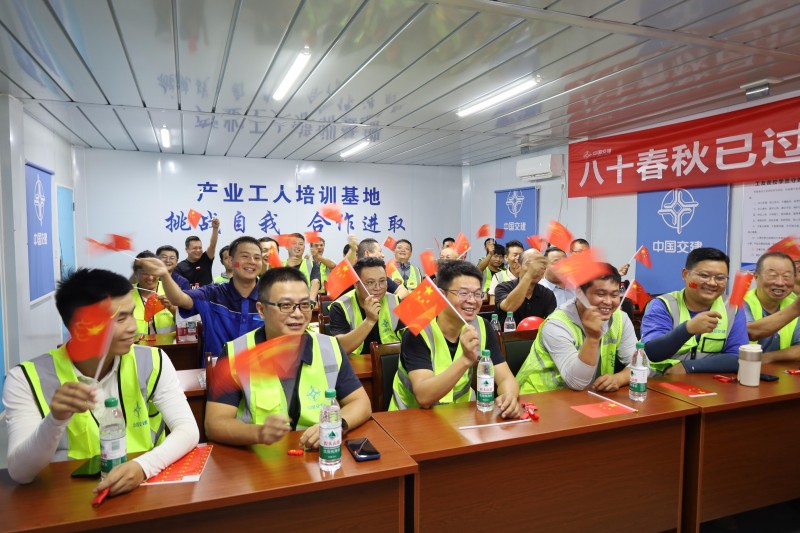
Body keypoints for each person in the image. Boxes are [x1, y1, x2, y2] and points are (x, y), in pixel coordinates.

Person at [2, 269, 199, 494]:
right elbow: (20, 472)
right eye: (120, 319)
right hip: (67, 498)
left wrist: (143, 466)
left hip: (144, 490)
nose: (133, 327)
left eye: (131, 314)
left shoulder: (152, 360)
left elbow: (187, 430)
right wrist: (55, 420)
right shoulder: (25, 379)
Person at [204, 267, 371, 448]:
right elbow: (214, 423)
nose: (298, 314)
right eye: (285, 305)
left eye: (304, 305)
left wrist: (337, 423)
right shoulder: (235, 353)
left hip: (318, 453)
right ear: (261, 309)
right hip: (259, 455)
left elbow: (360, 402)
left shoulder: (329, 347)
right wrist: (258, 433)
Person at [390, 261, 522, 417]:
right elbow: (424, 397)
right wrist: (466, 359)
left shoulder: (482, 326)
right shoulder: (417, 331)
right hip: (411, 418)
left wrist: (509, 396)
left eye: (477, 294)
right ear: (442, 295)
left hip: (461, 416)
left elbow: (506, 378)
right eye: (463, 293)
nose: (472, 301)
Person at [137, 236, 265, 358]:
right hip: (217, 369)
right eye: (245, 256)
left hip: (260, 370)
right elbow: (178, 299)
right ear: (230, 261)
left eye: (257, 258)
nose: (252, 262)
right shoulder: (212, 294)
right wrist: (165, 275)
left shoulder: (269, 297)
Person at [516, 265, 636, 393]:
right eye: (600, 294)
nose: (608, 302)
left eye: (614, 295)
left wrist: (619, 378)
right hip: (538, 397)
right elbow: (576, 382)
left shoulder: (620, 318)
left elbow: (642, 364)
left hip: (586, 397)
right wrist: (592, 338)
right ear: (579, 293)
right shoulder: (556, 324)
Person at [640, 247, 749, 374]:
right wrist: (687, 329)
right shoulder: (662, 305)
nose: (712, 283)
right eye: (704, 275)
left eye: (720, 278)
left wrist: (687, 367)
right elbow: (652, 352)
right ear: (685, 275)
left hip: (708, 382)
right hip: (659, 381)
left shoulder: (732, 307)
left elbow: (737, 357)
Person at [329, 257, 404, 355]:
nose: (378, 288)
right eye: (370, 283)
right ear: (356, 284)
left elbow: (410, 339)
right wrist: (369, 320)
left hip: (391, 358)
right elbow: (340, 348)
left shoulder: (395, 301)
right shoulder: (340, 306)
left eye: (382, 281)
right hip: (356, 361)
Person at [743, 252, 800, 363]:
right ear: (756, 276)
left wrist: (768, 357)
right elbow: (750, 332)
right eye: (772, 275)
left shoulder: (793, 303)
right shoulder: (740, 302)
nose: (780, 283)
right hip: (741, 369)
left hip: (779, 370)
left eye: (787, 277)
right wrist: (795, 309)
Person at [496, 249, 556, 325]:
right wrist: (529, 274)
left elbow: (551, 323)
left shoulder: (547, 294)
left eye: (540, 265)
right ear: (517, 267)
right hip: (509, 332)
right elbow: (509, 307)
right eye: (530, 264)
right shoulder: (503, 287)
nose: (536, 269)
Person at [132, 251, 176, 335]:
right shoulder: (126, 295)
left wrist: (172, 308)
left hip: (169, 342)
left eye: (154, 272)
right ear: (136, 273)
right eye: (145, 273)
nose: (150, 277)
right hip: (139, 342)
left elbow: (186, 320)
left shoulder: (170, 290)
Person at [175, 218, 220, 288]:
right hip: (188, 295)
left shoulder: (206, 259)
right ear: (186, 250)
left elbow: (212, 245)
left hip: (207, 294)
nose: (198, 250)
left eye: (200, 248)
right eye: (195, 248)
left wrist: (215, 228)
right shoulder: (179, 267)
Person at [284, 233, 322, 301]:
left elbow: (316, 283)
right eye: (294, 243)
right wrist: (287, 267)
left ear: (304, 248)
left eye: (300, 244)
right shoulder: (279, 265)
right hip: (284, 303)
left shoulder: (312, 264)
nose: (297, 246)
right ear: (286, 247)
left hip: (305, 303)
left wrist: (311, 301)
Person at [488, 240, 524, 305]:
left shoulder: (529, 276)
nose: (518, 258)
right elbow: (493, 303)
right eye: (515, 255)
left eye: (521, 255)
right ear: (506, 258)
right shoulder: (498, 277)